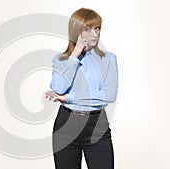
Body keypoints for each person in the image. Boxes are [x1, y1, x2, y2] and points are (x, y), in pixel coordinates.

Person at [45, 8, 119, 169]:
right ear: (76, 31)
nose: (95, 34)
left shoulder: (108, 59)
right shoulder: (61, 60)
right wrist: (76, 53)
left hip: (96, 124)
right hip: (66, 125)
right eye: (88, 29)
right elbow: (58, 87)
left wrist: (70, 97)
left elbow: (109, 94)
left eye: (97, 28)